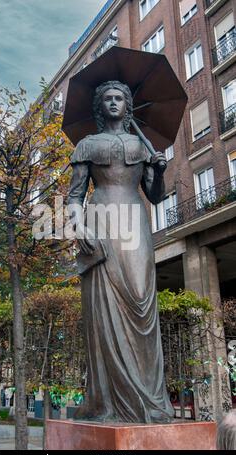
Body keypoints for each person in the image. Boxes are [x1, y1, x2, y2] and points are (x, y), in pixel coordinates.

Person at [68, 80, 174, 423]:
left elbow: (155, 195)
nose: (114, 103)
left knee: (142, 301)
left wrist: (159, 172)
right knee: (104, 305)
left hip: (135, 222)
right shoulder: (87, 145)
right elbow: (74, 196)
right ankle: (108, 401)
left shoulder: (143, 146)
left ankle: (149, 398)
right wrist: (78, 227)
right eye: (108, 99)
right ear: (101, 107)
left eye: (119, 98)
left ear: (127, 106)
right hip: (100, 221)